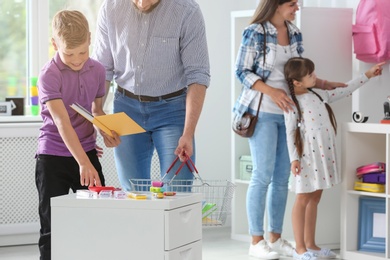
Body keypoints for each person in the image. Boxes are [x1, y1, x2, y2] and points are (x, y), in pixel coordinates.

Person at [233, 0, 347, 259]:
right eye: (292, 3)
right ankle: (256, 240)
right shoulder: (255, 32)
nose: (296, 7)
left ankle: (275, 237)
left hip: (290, 116)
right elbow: (241, 71)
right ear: (275, 4)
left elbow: (298, 72)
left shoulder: (294, 32)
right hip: (261, 112)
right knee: (262, 175)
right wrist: (272, 91)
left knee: (282, 178)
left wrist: (324, 83)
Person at [92, 0, 210, 191]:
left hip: (172, 110)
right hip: (126, 107)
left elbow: (198, 75)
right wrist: (97, 110)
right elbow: (103, 68)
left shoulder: (187, 11)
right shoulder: (110, 8)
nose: (142, 3)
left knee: (177, 191)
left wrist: (188, 133)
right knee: (133, 193)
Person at [35, 10, 120, 260]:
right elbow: (62, 122)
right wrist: (83, 161)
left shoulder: (97, 70)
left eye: (82, 52)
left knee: (99, 218)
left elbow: (96, 110)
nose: (77, 60)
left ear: (90, 39)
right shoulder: (48, 74)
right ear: (54, 44)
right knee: (52, 226)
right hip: (52, 157)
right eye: (69, 54)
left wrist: (106, 132)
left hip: (86, 152)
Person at [284, 57, 385, 260]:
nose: (315, 77)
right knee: (302, 198)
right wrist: (294, 159)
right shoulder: (292, 103)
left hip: (323, 154)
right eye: (310, 75)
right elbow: (290, 132)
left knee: (315, 197)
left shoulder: (318, 94)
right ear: (296, 82)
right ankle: (299, 249)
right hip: (306, 157)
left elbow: (345, 90)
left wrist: (367, 75)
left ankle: (311, 245)